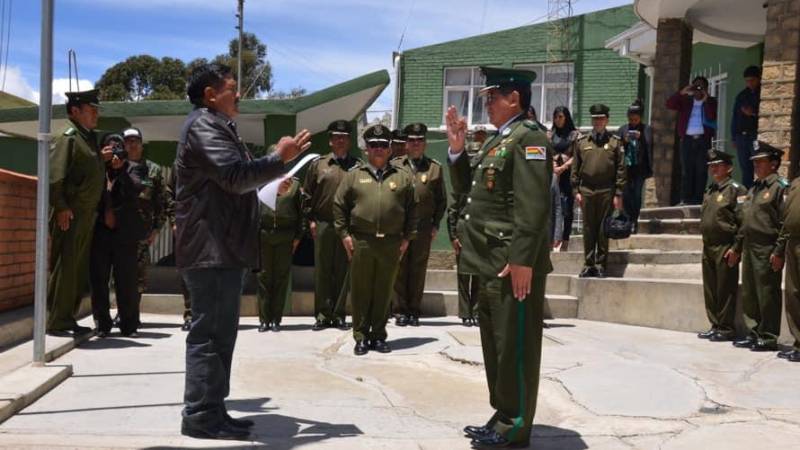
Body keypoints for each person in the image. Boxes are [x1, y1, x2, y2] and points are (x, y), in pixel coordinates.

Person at [175, 63, 310, 440]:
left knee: (221, 335)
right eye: (232, 89)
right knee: (209, 335)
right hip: (211, 247)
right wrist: (277, 159)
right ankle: (200, 415)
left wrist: (270, 181)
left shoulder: (218, 127)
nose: (239, 95)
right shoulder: (204, 125)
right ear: (210, 95)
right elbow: (234, 178)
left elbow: (233, 179)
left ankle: (213, 409)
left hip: (222, 247)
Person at [446, 66, 552, 449]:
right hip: (491, 260)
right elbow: (472, 194)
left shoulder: (530, 138)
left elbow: (534, 204)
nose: (487, 103)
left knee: (516, 346)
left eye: (493, 96)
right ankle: (503, 414)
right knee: (496, 345)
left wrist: (523, 258)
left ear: (515, 99)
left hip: (513, 263)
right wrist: (457, 150)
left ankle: (517, 424)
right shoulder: (499, 140)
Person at [333, 124, 418, 356]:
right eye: (373, 145)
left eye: (383, 145)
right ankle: (360, 336)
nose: (378, 149)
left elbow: (413, 210)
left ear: (390, 149)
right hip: (362, 241)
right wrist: (344, 235)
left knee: (384, 290)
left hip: (391, 242)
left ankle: (378, 336)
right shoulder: (354, 176)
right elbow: (339, 206)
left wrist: (407, 239)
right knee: (360, 291)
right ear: (366, 149)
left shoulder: (403, 177)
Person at [47, 89, 113, 337]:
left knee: (77, 269)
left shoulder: (87, 139)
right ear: (75, 111)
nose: (96, 114)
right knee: (66, 267)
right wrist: (62, 207)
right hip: (71, 214)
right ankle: (57, 320)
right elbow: (54, 178)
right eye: (91, 109)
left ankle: (67, 317)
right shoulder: (69, 138)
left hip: (86, 215)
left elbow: (85, 171)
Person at [89, 133, 149, 338]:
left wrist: (121, 169)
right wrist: (100, 162)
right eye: (110, 147)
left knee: (127, 281)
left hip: (124, 234)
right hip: (100, 232)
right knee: (99, 280)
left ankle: (129, 324)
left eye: (118, 147)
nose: (115, 152)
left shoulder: (134, 168)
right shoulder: (97, 169)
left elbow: (136, 188)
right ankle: (102, 324)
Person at [304, 120, 360, 331]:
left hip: (347, 226)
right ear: (330, 141)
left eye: (344, 137)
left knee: (343, 270)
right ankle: (322, 315)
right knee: (323, 271)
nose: (340, 140)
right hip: (323, 223)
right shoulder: (318, 165)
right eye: (336, 137)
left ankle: (338, 315)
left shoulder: (357, 166)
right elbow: (307, 195)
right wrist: (310, 220)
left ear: (349, 141)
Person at [733, 141, 787, 352]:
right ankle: (753, 332)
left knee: (767, 293)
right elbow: (745, 219)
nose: (756, 166)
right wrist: (738, 247)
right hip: (749, 246)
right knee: (750, 292)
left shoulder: (779, 187)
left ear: (773, 164)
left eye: (761, 162)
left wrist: (778, 250)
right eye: (754, 162)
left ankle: (768, 335)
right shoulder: (754, 188)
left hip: (767, 247)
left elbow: (784, 222)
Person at [391, 123, 447, 327]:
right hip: (399, 227)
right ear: (406, 144)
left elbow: (442, 201)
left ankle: (414, 311)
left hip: (423, 227)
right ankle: (399, 311)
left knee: (417, 269)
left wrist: (435, 225)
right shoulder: (395, 165)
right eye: (411, 141)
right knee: (399, 268)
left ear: (425, 144)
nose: (415, 144)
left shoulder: (434, 168)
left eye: (419, 140)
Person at [121, 127, 169, 329]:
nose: (132, 144)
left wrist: (156, 229)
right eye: (128, 141)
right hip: (118, 231)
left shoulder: (153, 170)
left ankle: (133, 314)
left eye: (136, 140)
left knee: (138, 276)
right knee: (119, 275)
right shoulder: (117, 167)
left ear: (142, 144)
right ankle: (123, 313)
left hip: (141, 231)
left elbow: (163, 202)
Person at [571, 104, 625, 278]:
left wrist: (618, 193)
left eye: (601, 118)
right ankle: (588, 264)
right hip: (586, 190)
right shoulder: (582, 142)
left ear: (607, 120)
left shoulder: (615, 142)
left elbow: (621, 169)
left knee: (603, 229)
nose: (598, 122)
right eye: (595, 119)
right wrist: (575, 191)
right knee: (588, 228)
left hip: (606, 190)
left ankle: (601, 264)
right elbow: (575, 168)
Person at [698, 150, 746, 342]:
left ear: (729, 168)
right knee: (710, 289)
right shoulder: (710, 190)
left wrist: (736, 248)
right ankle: (715, 324)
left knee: (725, 289)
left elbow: (743, 222)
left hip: (725, 246)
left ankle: (726, 328)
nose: (713, 169)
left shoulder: (736, 189)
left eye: (717, 165)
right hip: (708, 245)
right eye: (711, 166)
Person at [257, 177, 305, 332]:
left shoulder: (294, 184)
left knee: (281, 277)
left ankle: (276, 319)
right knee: (263, 277)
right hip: (263, 234)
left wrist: (298, 237)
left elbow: (301, 213)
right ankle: (264, 320)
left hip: (286, 236)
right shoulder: (261, 181)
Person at [666, 76, 718, 205]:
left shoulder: (711, 102)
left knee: (701, 170)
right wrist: (682, 92)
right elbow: (669, 104)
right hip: (687, 140)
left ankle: (698, 199)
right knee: (687, 170)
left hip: (703, 140)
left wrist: (705, 100)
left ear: (706, 89)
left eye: (701, 87)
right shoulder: (686, 101)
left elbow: (711, 116)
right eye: (696, 87)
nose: (698, 90)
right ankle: (686, 199)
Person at [617, 100, 654, 233]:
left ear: (640, 118)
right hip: (626, 168)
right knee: (626, 194)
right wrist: (624, 141)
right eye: (631, 119)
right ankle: (627, 219)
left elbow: (649, 146)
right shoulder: (623, 129)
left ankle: (634, 221)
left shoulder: (646, 129)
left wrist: (641, 137)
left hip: (640, 168)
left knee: (637, 195)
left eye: (636, 119)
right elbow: (616, 146)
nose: (633, 122)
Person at [164, 168, 193, 331]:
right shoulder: (181, 163)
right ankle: (190, 313)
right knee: (186, 271)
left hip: (210, 226)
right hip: (185, 226)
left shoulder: (214, 156)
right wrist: (175, 220)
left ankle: (207, 315)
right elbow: (169, 193)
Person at [549, 106, 579, 250]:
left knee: (567, 208)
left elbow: (577, 155)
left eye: (561, 117)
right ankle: (553, 239)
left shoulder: (574, 135)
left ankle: (565, 240)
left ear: (566, 117)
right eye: (556, 117)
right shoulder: (550, 135)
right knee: (553, 207)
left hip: (568, 174)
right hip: (554, 175)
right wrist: (554, 164)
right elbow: (547, 152)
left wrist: (564, 166)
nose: (558, 120)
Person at [779, 172, 800, 362]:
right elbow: (787, 218)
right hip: (792, 243)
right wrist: (779, 249)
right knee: (793, 293)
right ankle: (798, 343)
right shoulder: (795, 184)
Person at [731, 66, 761, 189]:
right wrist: (733, 137)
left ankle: (759, 192)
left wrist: (753, 113)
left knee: (758, 164)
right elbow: (734, 118)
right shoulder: (742, 96)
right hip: (741, 137)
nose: (750, 83)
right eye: (747, 80)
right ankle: (747, 192)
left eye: (752, 80)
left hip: (755, 136)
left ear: (759, 79)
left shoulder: (762, 93)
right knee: (745, 167)